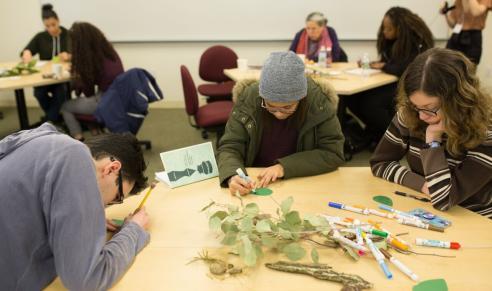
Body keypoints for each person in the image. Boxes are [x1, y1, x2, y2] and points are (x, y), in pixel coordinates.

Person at [0, 123, 150, 289]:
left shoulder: (43, 140)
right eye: (117, 197)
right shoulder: (75, 157)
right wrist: (133, 230)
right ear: (111, 169)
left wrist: (85, 217)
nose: (108, 205)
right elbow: (88, 281)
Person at [370, 48, 492, 218]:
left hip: (473, 218)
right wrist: (421, 185)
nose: (421, 116)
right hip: (426, 209)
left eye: (430, 108)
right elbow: (380, 163)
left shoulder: (485, 133)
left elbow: (444, 199)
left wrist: (433, 141)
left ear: (457, 99)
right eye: (415, 106)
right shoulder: (411, 113)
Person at [217, 51, 345, 195]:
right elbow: (230, 146)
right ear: (262, 96)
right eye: (270, 106)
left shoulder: (318, 102)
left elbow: (332, 153)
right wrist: (232, 176)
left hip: (302, 182)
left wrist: (284, 167)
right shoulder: (249, 99)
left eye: (287, 107)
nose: (278, 113)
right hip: (255, 181)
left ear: (301, 98)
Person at [345, 7, 434, 145]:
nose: (385, 32)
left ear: (400, 28)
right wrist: (380, 64)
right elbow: (392, 61)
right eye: (384, 28)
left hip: (411, 84)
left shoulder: (415, 41)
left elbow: (405, 67)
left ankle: (397, 137)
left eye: (389, 29)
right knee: (352, 98)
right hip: (394, 81)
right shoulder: (394, 40)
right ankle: (377, 131)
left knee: (371, 104)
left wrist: (384, 66)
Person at [61, 22, 124, 141]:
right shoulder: (108, 51)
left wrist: (78, 79)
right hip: (119, 98)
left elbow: (88, 92)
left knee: (66, 106)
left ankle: (78, 138)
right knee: (86, 102)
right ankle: (95, 130)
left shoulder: (91, 59)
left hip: (105, 101)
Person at [21, 4, 70, 125]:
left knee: (61, 92)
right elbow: (26, 50)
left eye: (53, 25)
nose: (51, 29)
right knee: (38, 93)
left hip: (62, 77)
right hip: (46, 76)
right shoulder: (40, 37)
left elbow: (79, 53)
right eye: (47, 26)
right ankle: (53, 118)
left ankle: (48, 121)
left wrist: (69, 56)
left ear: (58, 21)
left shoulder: (68, 35)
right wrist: (26, 53)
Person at [441, 0, 492, 64]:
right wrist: (445, 13)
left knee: (470, 67)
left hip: (473, 37)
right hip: (457, 35)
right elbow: (452, 24)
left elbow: (475, 12)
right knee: (447, 64)